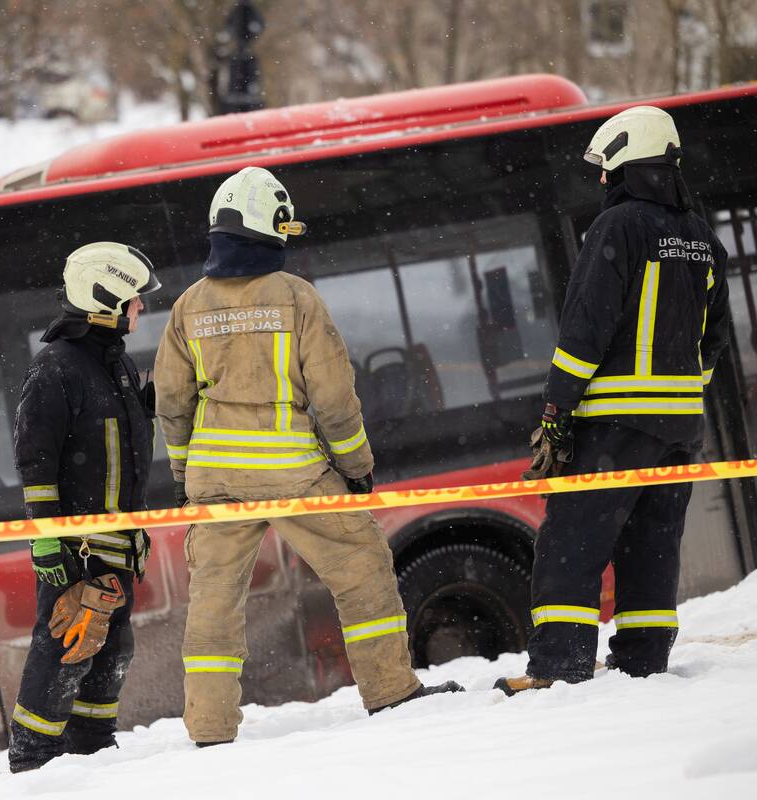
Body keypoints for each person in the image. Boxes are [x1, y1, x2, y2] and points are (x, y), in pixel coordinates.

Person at [154, 166, 462, 747]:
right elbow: (333, 394)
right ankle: (390, 688)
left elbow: (171, 401)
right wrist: (356, 466)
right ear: (265, 232)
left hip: (214, 479)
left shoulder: (188, 307)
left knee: (215, 601)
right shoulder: (296, 298)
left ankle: (210, 727)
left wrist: (182, 472)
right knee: (362, 567)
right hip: (295, 472)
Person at [496, 106, 732, 695]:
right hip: (681, 428)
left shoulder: (619, 227)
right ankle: (644, 662)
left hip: (613, 425)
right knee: (652, 546)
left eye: (608, 167)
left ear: (630, 158)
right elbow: (715, 340)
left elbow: (586, 329)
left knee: (571, 543)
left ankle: (558, 667)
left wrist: (555, 411)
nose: (603, 180)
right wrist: (678, 397)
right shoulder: (702, 237)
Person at [8, 241, 160, 772]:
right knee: (62, 648)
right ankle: (32, 762)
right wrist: (48, 536)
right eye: (135, 299)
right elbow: (35, 461)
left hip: (117, 544)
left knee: (110, 649)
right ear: (107, 296)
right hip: (77, 548)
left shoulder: (113, 365)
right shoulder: (57, 367)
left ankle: (92, 749)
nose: (141, 307)